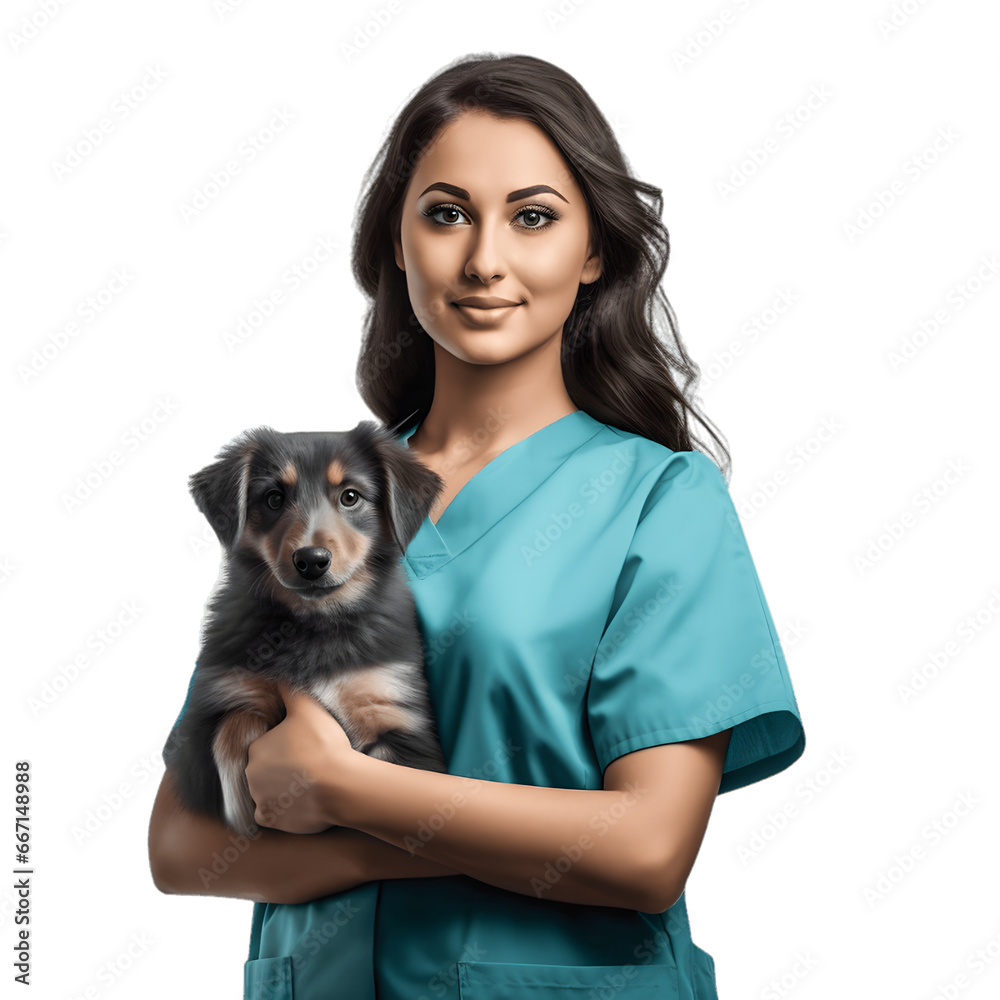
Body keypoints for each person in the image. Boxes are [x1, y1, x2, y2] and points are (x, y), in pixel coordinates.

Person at [148, 52, 806, 1000]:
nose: (484, 258)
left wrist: (348, 795)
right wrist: (443, 846)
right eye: (446, 214)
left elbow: (650, 850)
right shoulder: (312, 504)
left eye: (532, 217)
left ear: (593, 253)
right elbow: (182, 844)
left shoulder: (660, 503)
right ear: (398, 244)